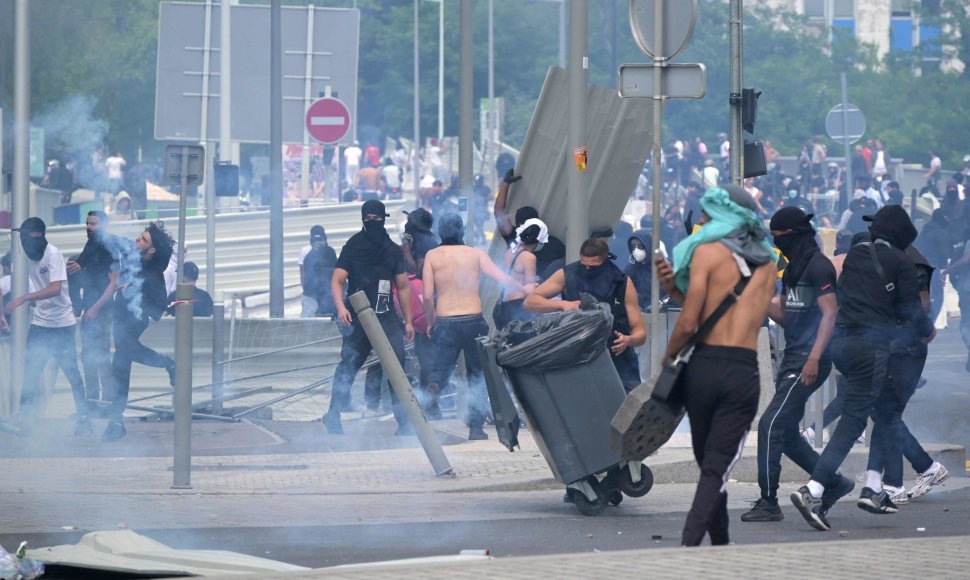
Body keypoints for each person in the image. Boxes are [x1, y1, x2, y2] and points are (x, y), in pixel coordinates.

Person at [790, 205, 935, 531]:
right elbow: (911, 308)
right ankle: (813, 489)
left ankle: (873, 488)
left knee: (885, 412)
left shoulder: (855, 254)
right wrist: (927, 330)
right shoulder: (900, 261)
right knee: (854, 422)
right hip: (872, 350)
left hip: (843, 345)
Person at [653, 185, 776, 546]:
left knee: (710, 464)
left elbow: (691, 321)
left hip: (702, 370)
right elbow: (730, 311)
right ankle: (701, 547)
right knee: (716, 467)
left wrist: (667, 356)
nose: (703, 220)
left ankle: (704, 546)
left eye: (707, 214)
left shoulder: (706, 253)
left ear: (725, 217)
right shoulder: (768, 266)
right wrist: (675, 288)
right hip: (740, 372)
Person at [741, 206, 843, 523]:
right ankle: (834, 481)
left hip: (810, 359)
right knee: (784, 433)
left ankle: (768, 503)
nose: (777, 242)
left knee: (770, 424)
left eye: (780, 237)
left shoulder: (818, 267)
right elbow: (792, 318)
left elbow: (830, 314)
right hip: (794, 354)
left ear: (796, 235)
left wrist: (813, 358)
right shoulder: (796, 267)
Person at [423, 213, 523, 437]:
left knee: (440, 368)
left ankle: (434, 388)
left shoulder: (432, 255)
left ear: (440, 232)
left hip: (446, 320)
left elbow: (428, 295)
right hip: (473, 320)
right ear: (462, 232)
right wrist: (525, 287)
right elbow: (501, 277)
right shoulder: (475, 254)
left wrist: (432, 321)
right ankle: (476, 428)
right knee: (477, 375)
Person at [323, 200, 415, 435]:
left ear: (383, 218)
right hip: (358, 319)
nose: (373, 222)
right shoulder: (353, 246)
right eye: (369, 218)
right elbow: (337, 280)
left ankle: (404, 422)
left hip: (386, 318)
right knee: (347, 367)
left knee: (396, 368)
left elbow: (403, 287)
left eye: (377, 218)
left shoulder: (393, 250)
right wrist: (340, 308)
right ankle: (333, 415)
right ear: (363, 218)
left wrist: (409, 321)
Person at [5, 218, 92, 435]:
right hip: (40, 323)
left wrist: (25, 298)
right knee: (30, 373)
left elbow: (54, 289)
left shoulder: (52, 253)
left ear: (39, 236)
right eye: (22, 237)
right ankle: (23, 419)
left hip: (62, 324)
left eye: (28, 237)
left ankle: (84, 419)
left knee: (71, 372)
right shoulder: (26, 255)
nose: (25, 242)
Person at [524, 238, 647, 393]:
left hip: (617, 360)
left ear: (605, 259)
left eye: (594, 267)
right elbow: (530, 301)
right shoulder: (568, 274)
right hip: (578, 357)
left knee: (628, 408)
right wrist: (562, 305)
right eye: (585, 265)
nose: (588, 269)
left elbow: (641, 333)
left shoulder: (622, 282)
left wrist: (628, 340)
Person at [104, 222, 177, 442]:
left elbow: (157, 308)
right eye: (140, 237)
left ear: (152, 249)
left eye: (144, 240)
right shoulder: (132, 258)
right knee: (120, 365)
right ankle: (115, 422)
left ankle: (168, 363)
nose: (138, 240)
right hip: (120, 319)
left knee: (122, 358)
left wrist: (134, 291)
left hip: (134, 321)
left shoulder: (153, 274)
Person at [67, 211, 119, 404]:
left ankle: (107, 402)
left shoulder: (109, 251)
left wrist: (95, 308)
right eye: (87, 223)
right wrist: (78, 307)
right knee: (87, 356)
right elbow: (74, 282)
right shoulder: (84, 255)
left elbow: (112, 285)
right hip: (89, 312)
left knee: (102, 356)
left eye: (94, 224)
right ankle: (91, 401)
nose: (89, 227)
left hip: (103, 311)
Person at [493, 168, 566, 280]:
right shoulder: (514, 238)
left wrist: (506, 183)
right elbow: (499, 212)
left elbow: (499, 212)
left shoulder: (554, 245)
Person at [400, 208, 439, 410]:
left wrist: (406, 250)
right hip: (426, 305)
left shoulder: (422, 243)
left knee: (427, 358)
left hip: (425, 307)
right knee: (428, 357)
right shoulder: (428, 239)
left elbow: (419, 270)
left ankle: (430, 404)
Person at [493, 218, 545, 329]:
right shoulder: (529, 257)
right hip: (517, 306)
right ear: (537, 241)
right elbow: (530, 287)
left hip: (503, 304)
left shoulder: (509, 252)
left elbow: (508, 277)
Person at [299, 226, 337, 318]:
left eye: (320, 240)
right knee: (308, 317)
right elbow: (304, 277)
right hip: (311, 295)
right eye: (314, 240)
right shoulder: (308, 256)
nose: (317, 243)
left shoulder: (330, 252)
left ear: (325, 240)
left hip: (330, 294)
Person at [625, 229, 658, 312]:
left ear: (649, 246)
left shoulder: (664, 267)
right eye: (633, 246)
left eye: (640, 246)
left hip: (663, 317)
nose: (636, 250)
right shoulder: (630, 269)